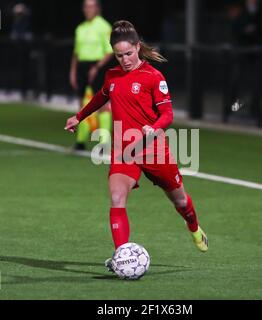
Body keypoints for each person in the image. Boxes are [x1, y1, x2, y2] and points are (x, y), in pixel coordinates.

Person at [65, 20, 208, 273]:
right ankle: (122, 257)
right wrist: (79, 116)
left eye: (129, 53)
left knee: (180, 201)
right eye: (119, 55)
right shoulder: (111, 76)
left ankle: (194, 228)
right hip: (124, 150)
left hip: (153, 149)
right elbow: (102, 96)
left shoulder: (153, 77)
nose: (125, 60)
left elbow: (168, 114)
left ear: (137, 47)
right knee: (117, 198)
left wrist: (155, 128)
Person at [70, 0, 113, 151]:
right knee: (82, 103)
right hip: (82, 66)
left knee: (103, 105)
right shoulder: (80, 28)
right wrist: (73, 71)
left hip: (98, 66)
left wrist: (96, 67)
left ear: (97, 8)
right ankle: (81, 141)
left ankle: (104, 142)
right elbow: (76, 53)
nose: (89, 9)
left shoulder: (104, 26)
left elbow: (109, 51)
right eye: (86, 6)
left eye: (92, 6)